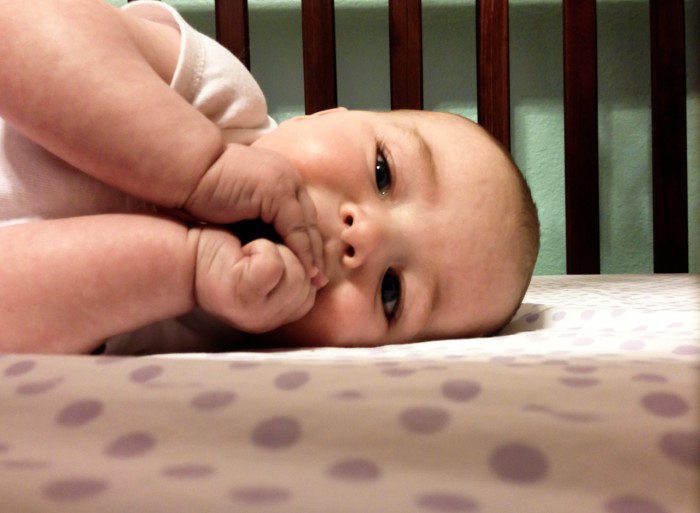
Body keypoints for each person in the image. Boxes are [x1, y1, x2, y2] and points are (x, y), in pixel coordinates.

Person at [0, 0, 539, 355]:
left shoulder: (179, 345)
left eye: (392, 293)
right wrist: (197, 168)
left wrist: (183, 271)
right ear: (326, 116)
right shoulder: (221, 103)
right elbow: (17, 28)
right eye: (383, 172)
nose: (365, 236)